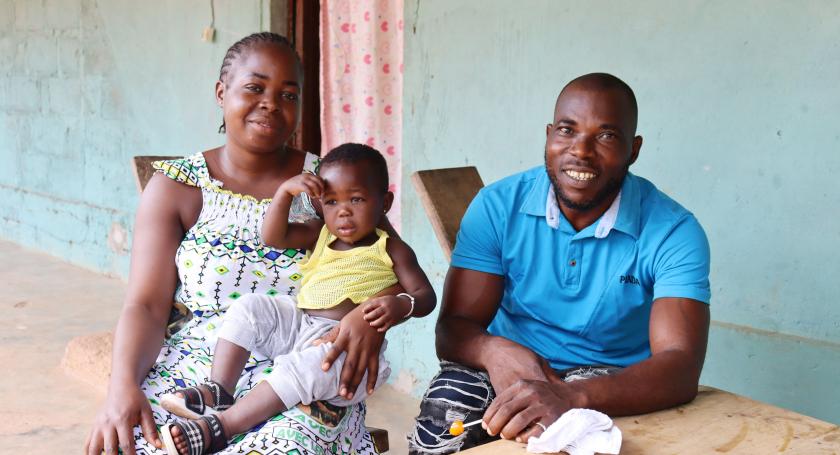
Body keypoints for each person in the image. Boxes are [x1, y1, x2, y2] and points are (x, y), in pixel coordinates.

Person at [85, 32, 394, 455]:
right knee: (137, 440)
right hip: (198, 370)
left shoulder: (332, 184)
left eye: (289, 94)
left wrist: (369, 320)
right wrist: (120, 387)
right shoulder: (178, 186)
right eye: (255, 87)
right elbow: (145, 305)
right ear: (221, 92)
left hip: (303, 368)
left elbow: (390, 262)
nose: (271, 103)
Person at [407, 73, 711, 454]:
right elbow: (452, 330)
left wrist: (571, 396)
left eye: (606, 136)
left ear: (633, 150)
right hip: (509, 363)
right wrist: (492, 351)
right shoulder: (497, 206)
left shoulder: (672, 231)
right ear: (549, 134)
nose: (580, 151)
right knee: (443, 419)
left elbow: (681, 366)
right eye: (567, 130)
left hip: (607, 378)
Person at [158, 144, 436, 455]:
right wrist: (283, 195)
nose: (343, 211)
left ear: (384, 202)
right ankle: (220, 388)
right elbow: (273, 237)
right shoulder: (322, 235)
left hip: (344, 350)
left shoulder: (392, 250)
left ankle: (222, 427)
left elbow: (425, 296)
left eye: (356, 199)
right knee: (251, 307)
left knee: (304, 368)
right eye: (331, 202)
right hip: (301, 325)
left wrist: (402, 304)